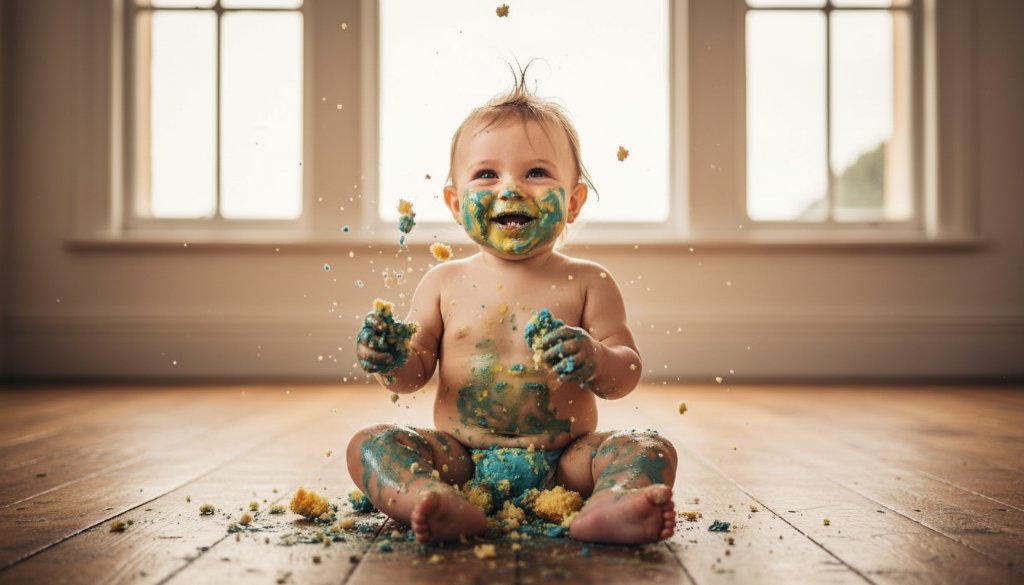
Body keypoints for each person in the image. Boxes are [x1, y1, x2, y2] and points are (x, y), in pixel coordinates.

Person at [347, 71, 676, 545]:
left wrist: (596, 359)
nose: (511, 188)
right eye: (486, 174)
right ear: (456, 204)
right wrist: (391, 359)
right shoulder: (444, 282)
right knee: (370, 445)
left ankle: (612, 505)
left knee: (648, 448)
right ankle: (430, 497)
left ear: (574, 202)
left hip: (567, 462)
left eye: (537, 173)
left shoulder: (588, 281)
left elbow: (625, 375)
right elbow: (413, 375)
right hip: (459, 458)